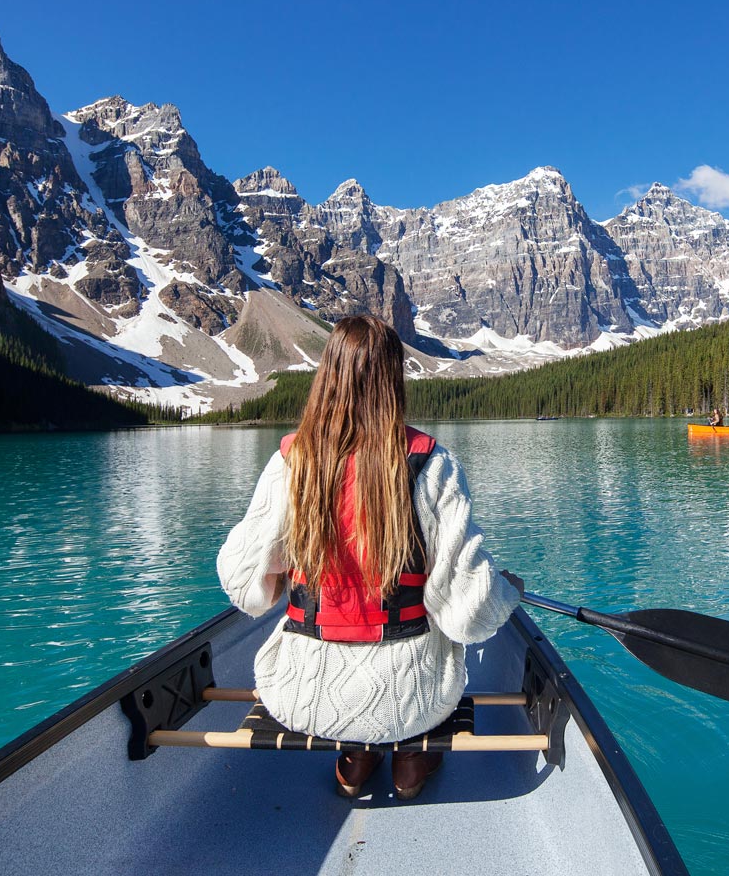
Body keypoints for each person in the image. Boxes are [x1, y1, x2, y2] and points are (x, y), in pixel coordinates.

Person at [217, 316, 524, 800]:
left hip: (300, 696)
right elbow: (468, 612)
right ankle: (410, 761)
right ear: (392, 380)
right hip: (413, 702)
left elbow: (242, 582)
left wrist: (274, 582)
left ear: (328, 375)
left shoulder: (291, 461)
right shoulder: (430, 463)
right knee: (438, 635)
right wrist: (509, 590)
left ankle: (357, 760)